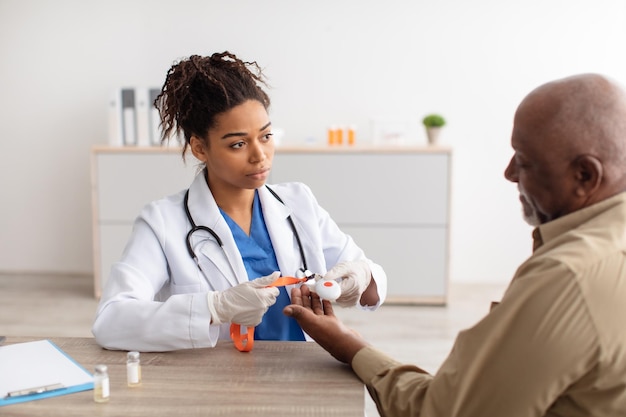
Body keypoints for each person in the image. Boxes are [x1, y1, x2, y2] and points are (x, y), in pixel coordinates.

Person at [284, 73, 626, 416]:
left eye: (524, 161)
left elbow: (444, 411)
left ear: (585, 175)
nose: (509, 173)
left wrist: (350, 346)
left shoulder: (567, 277)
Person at [92, 52, 387, 352]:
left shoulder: (299, 202)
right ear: (199, 148)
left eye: (266, 136)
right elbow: (111, 321)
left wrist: (362, 280)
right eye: (238, 144)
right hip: (222, 386)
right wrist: (216, 308)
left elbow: (371, 283)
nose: (259, 155)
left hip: (303, 379)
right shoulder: (162, 222)